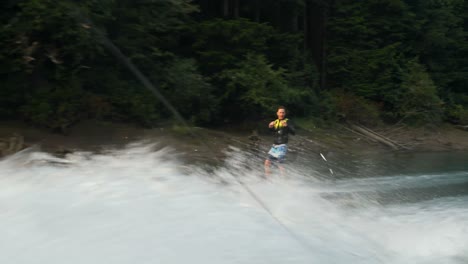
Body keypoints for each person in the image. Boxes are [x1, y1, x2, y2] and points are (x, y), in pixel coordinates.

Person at [264, 106, 295, 175]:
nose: (281, 114)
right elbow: (274, 132)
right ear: (277, 113)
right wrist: (270, 127)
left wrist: (286, 126)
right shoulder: (275, 122)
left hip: (282, 146)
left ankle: (283, 181)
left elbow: (293, 132)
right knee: (267, 162)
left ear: (285, 114)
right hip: (274, 146)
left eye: (283, 113)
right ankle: (268, 180)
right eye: (280, 112)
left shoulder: (288, 121)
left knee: (280, 164)